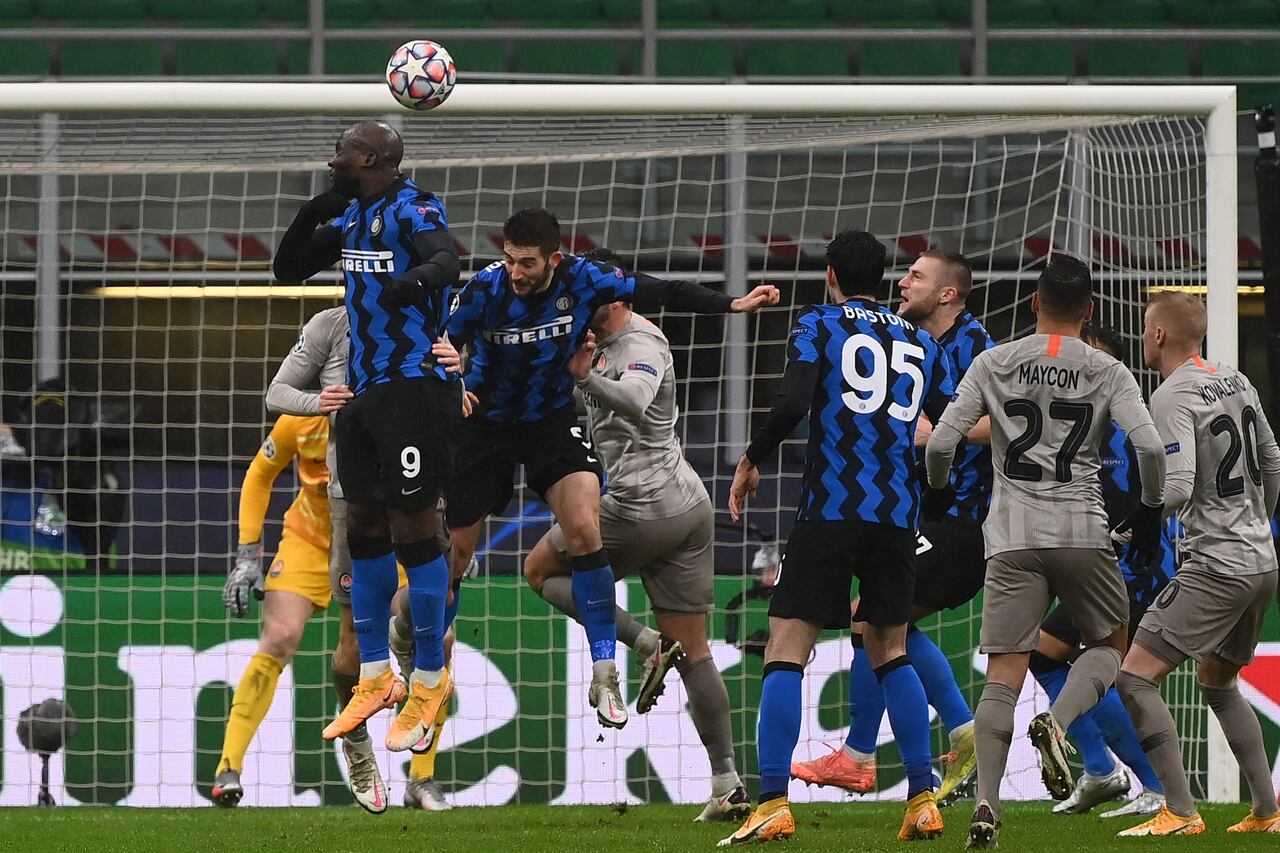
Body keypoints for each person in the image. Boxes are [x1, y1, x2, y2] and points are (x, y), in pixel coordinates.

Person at [445, 208, 778, 730]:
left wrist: (730, 304)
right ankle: (723, 775)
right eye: (508, 260)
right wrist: (451, 383)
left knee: (569, 541)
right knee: (456, 562)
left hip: (598, 464)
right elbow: (440, 342)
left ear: (557, 260)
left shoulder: (611, 311)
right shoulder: (486, 292)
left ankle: (606, 670)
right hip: (497, 433)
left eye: (526, 263)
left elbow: (659, 297)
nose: (515, 272)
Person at [923, 254, 1166, 850]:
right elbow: (1151, 450)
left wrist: (936, 483)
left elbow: (944, 440)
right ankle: (1057, 727)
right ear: (1088, 311)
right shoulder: (1106, 369)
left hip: (1010, 539)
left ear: (1034, 303)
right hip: (1084, 531)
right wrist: (1151, 507)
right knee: (1110, 648)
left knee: (1002, 680)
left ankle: (986, 808)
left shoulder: (992, 361)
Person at [724, 229, 956, 845]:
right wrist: (930, 492)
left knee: (786, 648)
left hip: (830, 508)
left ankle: (772, 799)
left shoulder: (819, 323)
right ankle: (922, 797)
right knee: (890, 649)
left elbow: (794, 400)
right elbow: (950, 423)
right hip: (896, 516)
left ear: (831, 274)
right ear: (882, 279)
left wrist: (751, 460)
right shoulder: (920, 339)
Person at [520, 248, 749, 822]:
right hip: (686, 507)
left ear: (611, 297)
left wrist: (586, 377)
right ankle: (727, 782)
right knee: (695, 654)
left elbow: (636, 399)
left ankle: (642, 642)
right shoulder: (596, 340)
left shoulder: (641, 344)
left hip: (640, 508)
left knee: (539, 571)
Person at [272, 119, 463, 754]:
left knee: (413, 528)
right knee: (365, 528)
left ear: (371, 157)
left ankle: (430, 679)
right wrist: (312, 211)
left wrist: (412, 283)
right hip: (362, 394)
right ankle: (378, 676)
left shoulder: (412, 206)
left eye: (342, 154)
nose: (332, 161)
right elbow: (287, 269)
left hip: (413, 387)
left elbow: (447, 258)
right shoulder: (353, 217)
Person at [791, 250, 993, 805]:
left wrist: (942, 436)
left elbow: (1012, 421)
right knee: (882, 625)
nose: (903, 282)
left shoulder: (977, 346)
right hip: (918, 515)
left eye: (917, 276)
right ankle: (960, 732)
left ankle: (861, 755)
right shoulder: (912, 343)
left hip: (964, 521)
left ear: (948, 294)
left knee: (872, 622)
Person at [263, 304, 459, 811]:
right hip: (354, 499)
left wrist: (461, 375)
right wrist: (318, 401)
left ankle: (423, 773)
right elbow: (276, 393)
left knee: (440, 629)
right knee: (351, 640)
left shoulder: (429, 315)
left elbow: (463, 390)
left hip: (420, 491)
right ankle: (357, 744)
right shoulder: (331, 325)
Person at [1114, 292, 1280, 837]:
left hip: (1217, 564)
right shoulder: (1236, 380)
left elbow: (1178, 487)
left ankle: (1181, 812)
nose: (1142, 337)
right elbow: (1272, 456)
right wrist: (1257, 519)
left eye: (1145, 328)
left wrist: (1137, 520)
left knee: (1135, 676)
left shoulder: (1169, 395)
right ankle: (1266, 811)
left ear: (1159, 335)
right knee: (1216, 678)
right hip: (1261, 561)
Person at [1029, 322, 1172, 819]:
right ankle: (1101, 770)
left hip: (1130, 570)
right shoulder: (1072, 424)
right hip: (1093, 567)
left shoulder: (1127, 429)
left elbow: (1151, 498)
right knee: (1051, 657)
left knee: (1093, 668)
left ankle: (1149, 784)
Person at [212, 413, 338, 807]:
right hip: (311, 540)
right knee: (279, 636)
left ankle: (423, 779)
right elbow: (259, 473)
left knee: (435, 635)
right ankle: (227, 767)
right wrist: (247, 557)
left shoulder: (392, 404)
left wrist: (447, 536)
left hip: (383, 545)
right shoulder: (301, 417)